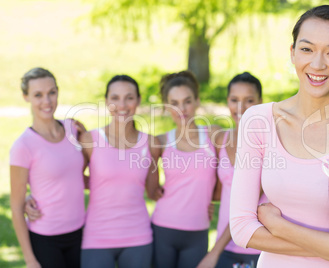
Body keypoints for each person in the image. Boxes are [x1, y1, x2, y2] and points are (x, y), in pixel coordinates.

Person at [230, 5, 329, 267]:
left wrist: (277, 226)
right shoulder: (258, 121)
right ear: (292, 53)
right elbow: (241, 229)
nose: (317, 64)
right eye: (306, 49)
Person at [78, 75, 158, 268]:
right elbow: (69, 179)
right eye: (115, 98)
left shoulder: (151, 143)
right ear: (106, 101)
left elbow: (154, 192)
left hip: (138, 236)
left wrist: (202, 201)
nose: (122, 104)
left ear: (138, 100)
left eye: (129, 98)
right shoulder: (90, 139)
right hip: (96, 236)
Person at [10, 67, 86, 268]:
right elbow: (16, 207)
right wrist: (30, 259)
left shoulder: (73, 129)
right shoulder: (23, 146)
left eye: (52, 92)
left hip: (80, 233)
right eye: (38, 95)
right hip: (45, 239)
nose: (47, 101)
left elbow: (86, 175)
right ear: (26, 97)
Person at [149, 70, 220, 268]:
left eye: (187, 101)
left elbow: (227, 178)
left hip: (198, 230)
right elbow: (150, 189)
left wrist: (210, 199)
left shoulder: (214, 135)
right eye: (174, 103)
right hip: (163, 227)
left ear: (197, 101)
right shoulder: (161, 141)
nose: (182, 109)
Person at [197, 72, 266, 268]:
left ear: (260, 102)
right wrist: (204, 201)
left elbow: (246, 206)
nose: (240, 107)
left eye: (249, 100)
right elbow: (220, 188)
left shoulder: (267, 146)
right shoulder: (222, 139)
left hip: (257, 247)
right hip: (227, 246)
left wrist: (213, 253)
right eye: (234, 100)